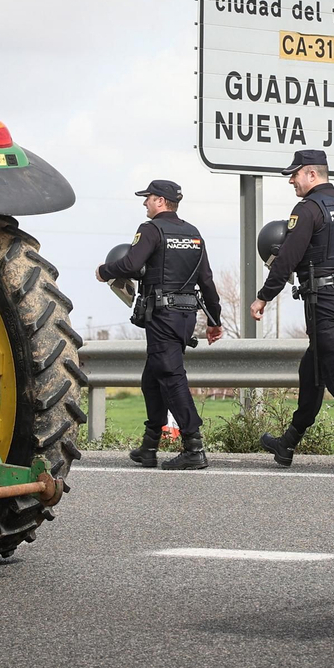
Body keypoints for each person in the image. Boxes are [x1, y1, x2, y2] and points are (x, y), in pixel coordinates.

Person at [252, 149, 334, 471]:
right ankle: (288, 443)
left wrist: (264, 297)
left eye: (294, 174)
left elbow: (287, 257)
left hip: (323, 300)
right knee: (312, 370)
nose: (291, 180)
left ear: (312, 174)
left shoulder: (308, 209)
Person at [96, 179, 224, 470]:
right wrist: (215, 320)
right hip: (186, 316)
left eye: (148, 198)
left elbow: (130, 264)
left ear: (161, 201)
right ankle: (149, 447)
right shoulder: (193, 234)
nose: (145, 203)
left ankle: (194, 446)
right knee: (152, 378)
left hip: (163, 315)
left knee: (170, 375)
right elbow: (206, 280)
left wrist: (104, 271)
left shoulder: (151, 230)